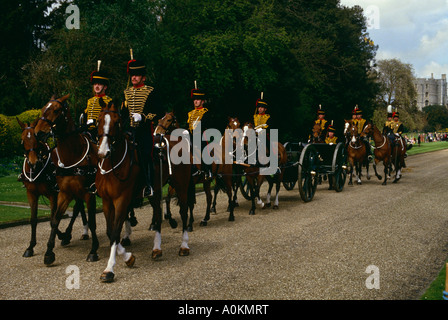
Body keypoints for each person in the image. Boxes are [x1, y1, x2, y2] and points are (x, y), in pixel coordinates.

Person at [121, 58, 163, 197]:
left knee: (146, 155)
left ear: (143, 77)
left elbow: (159, 112)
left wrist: (143, 117)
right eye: (132, 74)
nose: (133, 77)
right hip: (129, 131)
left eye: (137, 74)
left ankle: (149, 185)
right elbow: (122, 115)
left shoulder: (150, 91)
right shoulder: (126, 93)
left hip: (144, 131)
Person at [81, 64, 112, 143]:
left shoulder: (109, 101)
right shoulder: (90, 101)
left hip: (101, 133)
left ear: (105, 87)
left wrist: (95, 121)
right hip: (88, 132)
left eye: (99, 84)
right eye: (95, 84)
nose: (97, 86)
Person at [187, 85, 212, 179]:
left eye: (198, 99)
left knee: (204, 150)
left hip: (201, 136)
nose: (195, 101)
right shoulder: (190, 113)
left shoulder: (205, 112)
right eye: (194, 99)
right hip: (191, 136)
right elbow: (187, 126)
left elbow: (205, 124)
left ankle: (208, 170)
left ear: (202, 101)